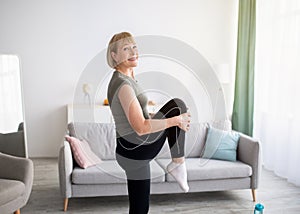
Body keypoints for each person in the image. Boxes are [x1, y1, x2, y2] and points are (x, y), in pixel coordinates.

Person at [106, 32, 191, 214]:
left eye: (134, 47)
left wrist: (156, 117)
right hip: (135, 147)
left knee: (139, 208)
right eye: (126, 48)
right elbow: (141, 127)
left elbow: (137, 117)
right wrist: (176, 121)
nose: (133, 52)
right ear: (114, 56)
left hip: (129, 149)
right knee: (177, 106)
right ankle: (178, 162)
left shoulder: (126, 80)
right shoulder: (123, 85)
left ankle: (178, 164)